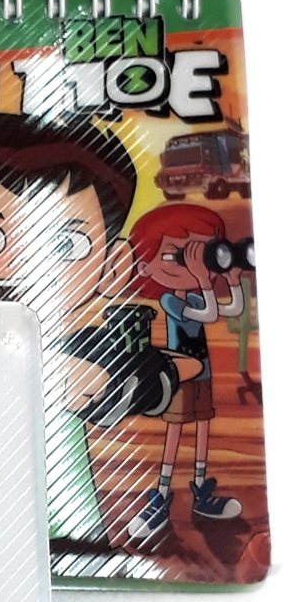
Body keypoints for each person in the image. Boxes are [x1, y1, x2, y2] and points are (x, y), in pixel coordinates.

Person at [0, 114, 137, 544]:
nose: (16, 267)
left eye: (63, 244)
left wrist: (98, 383)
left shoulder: (81, 345)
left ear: (114, 267)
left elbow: (139, 379)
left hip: (62, 526)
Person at [125, 203, 245, 540]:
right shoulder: (171, 301)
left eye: (201, 252)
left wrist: (232, 281)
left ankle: (201, 492)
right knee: (175, 431)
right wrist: (205, 280)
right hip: (180, 374)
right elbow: (209, 315)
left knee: (203, 427)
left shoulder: (194, 297)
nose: (192, 264)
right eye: (174, 256)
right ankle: (161, 495)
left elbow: (232, 309)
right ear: (144, 267)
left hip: (202, 373)